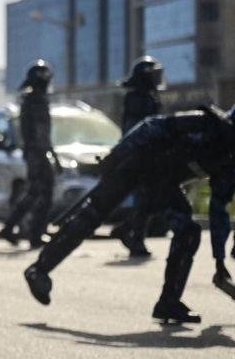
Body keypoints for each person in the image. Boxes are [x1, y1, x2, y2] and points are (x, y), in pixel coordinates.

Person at [24, 105, 235, 323]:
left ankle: (168, 303)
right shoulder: (205, 123)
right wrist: (116, 156)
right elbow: (151, 125)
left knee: (188, 232)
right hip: (133, 164)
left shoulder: (230, 159)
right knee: (92, 216)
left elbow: (219, 207)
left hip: (161, 182)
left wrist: (219, 260)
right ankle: (38, 270)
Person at [110, 56, 165, 258]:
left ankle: (129, 231)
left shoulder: (147, 96)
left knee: (150, 199)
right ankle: (134, 238)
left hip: (147, 154)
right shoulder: (138, 99)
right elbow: (137, 130)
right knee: (145, 198)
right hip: (140, 155)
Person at [0, 60, 55, 249]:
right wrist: (47, 155)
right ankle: (35, 234)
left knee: (33, 192)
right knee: (43, 193)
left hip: (35, 153)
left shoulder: (30, 99)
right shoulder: (36, 100)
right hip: (36, 153)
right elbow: (40, 134)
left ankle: (11, 226)